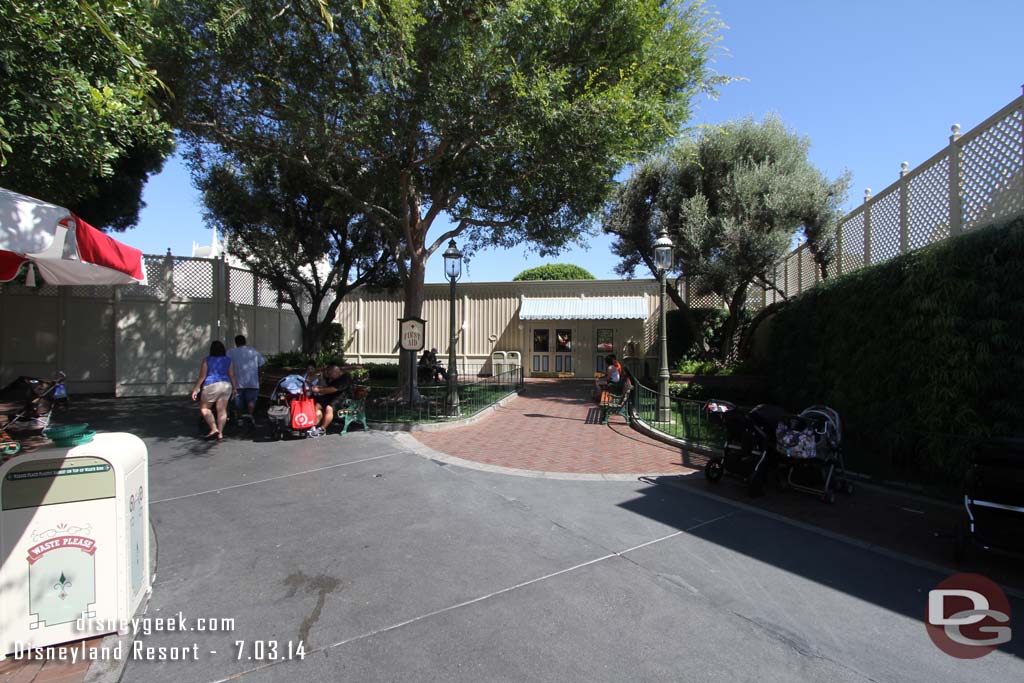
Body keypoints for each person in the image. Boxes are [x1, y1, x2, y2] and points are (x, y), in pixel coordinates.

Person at [191, 341, 236, 441]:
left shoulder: (207, 360)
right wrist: (235, 388)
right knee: (222, 410)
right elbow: (232, 375)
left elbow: (202, 377)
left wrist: (195, 389)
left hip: (211, 384)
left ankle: (213, 428)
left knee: (205, 408)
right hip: (226, 385)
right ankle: (220, 433)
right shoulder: (229, 360)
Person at [226, 335, 265, 425]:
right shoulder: (253, 351)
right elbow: (261, 364)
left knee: (238, 402)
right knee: (251, 401)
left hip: (237, 382)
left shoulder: (231, 352)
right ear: (245, 342)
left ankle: (240, 417)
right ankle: (249, 416)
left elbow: (226, 364)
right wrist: (260, 377)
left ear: (236, 343)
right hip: (252, 382)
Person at [310, 365, 352, 435]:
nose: (329, 376)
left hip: (343, 398)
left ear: (336, 372)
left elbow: (333, 389)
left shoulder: (345, 378)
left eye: (330, 374)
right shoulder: (333, 378)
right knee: (317, 405)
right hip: (332, 397)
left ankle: (322, 429)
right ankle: (314, 425)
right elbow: (329, 388)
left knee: (329, 408)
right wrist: (321, 388)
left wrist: (319, 390)